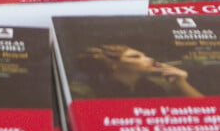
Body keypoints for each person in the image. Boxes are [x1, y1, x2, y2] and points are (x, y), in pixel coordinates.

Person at [71, 43, 203, 99]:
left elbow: (208, 114)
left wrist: (181, 83)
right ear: (112, 64)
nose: (149, 59)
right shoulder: (84, 91)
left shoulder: (157, 85)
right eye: (135, 57)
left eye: (144, 55)